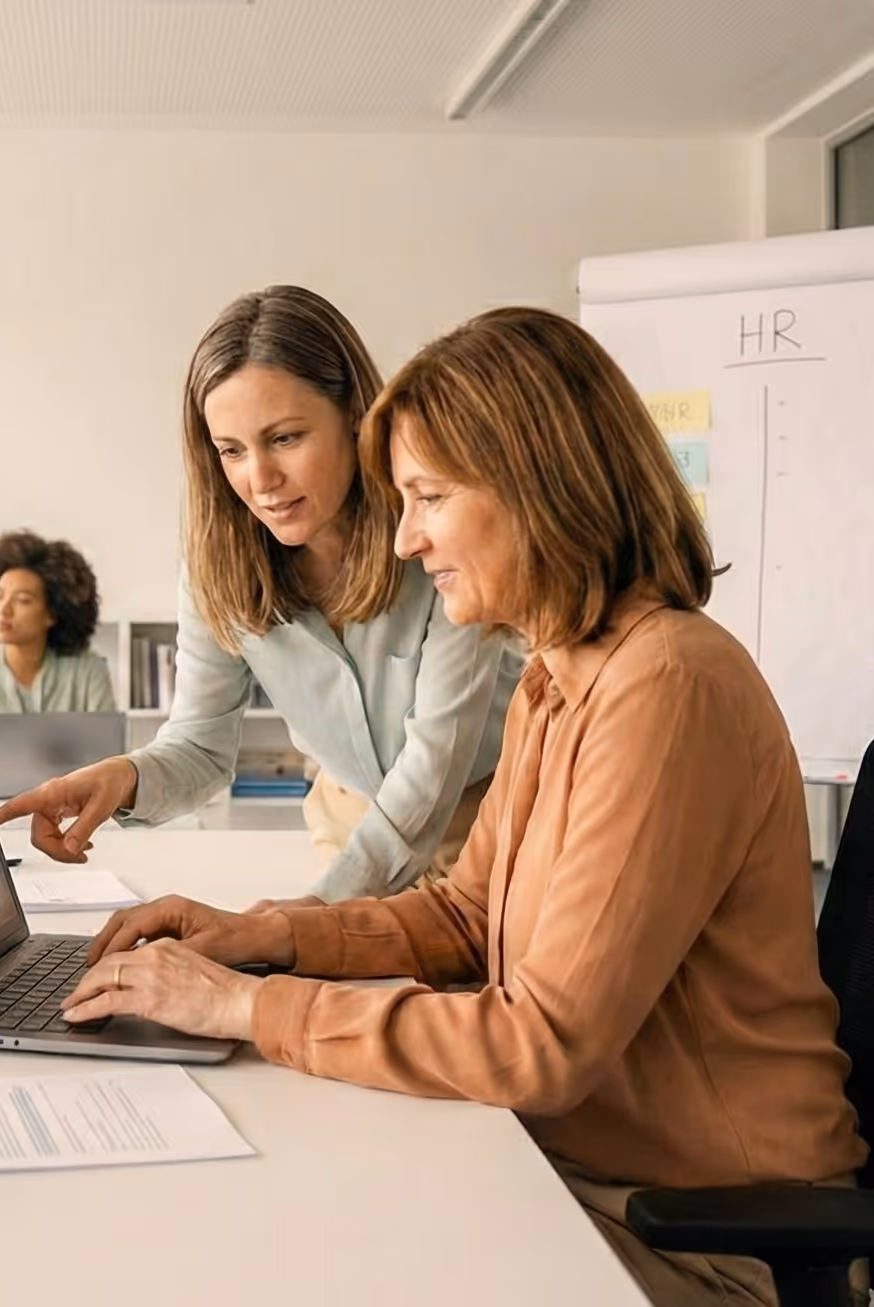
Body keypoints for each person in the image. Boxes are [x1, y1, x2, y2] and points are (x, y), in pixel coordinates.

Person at [51, 308, 866, 1307]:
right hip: (578, 1175)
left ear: (537, 486)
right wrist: (256, 934)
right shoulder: (558, 672)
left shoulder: (665, 685)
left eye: (429, 496)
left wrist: (243, 1004)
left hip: (701, 1228)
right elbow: (460, 915)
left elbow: (538, 1044)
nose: (404, 537)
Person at [0, 286, 522, 905]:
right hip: (351, 832)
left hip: (489, 825)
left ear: (355, 416)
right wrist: (121, 779)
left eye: (286, 438)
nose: (260, 481)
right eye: (232, 451)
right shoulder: (220, 567)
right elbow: (200, 747)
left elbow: (433, 767)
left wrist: (301, 921)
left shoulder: (436, 538)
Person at [0, 530, 116, 764]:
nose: (3, 609)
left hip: (68, 800)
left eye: (22, 600)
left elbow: (107, 763)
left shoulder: (89, 670)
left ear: (52, 614)